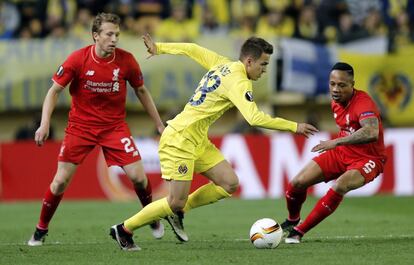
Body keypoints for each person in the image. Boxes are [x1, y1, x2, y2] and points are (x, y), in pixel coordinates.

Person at [109, 33, 319, 251]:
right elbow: (254, 118)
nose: (264, 70)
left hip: (197, 139)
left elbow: (192, 48)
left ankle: (179, 213)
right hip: (180, 139)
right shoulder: (239, 82)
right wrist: (295, 126)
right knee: (174, 201)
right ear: (249, 61)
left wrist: (159, 47)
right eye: (263, 64)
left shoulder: (223, 63)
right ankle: (124, 229)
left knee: (229, 183)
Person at [27, 13, 166, 246]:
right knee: (60, 181)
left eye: (117, 35)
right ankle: (40, 230)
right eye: (109, 34)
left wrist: (159, 123)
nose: (114, 39)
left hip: (114, 127)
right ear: (96, 36)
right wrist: (44, 123)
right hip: (80, 127)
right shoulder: (78, 59)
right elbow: (54, 91)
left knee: (139, 179)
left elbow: (142, 91)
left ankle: (151, 217)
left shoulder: (127, 61)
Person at [281, 62, 387, 244]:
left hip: (368, 159)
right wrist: (338, 145)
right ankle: (292, 220)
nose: (336, 89)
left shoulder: (363, 103)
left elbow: (371, 132)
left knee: (340, 186)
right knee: (296, 183)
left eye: (342, 85)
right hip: (341, 153)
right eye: (332, 84)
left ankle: (299, 232)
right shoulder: (335, 102)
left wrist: (335, 141)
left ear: (352, 84)